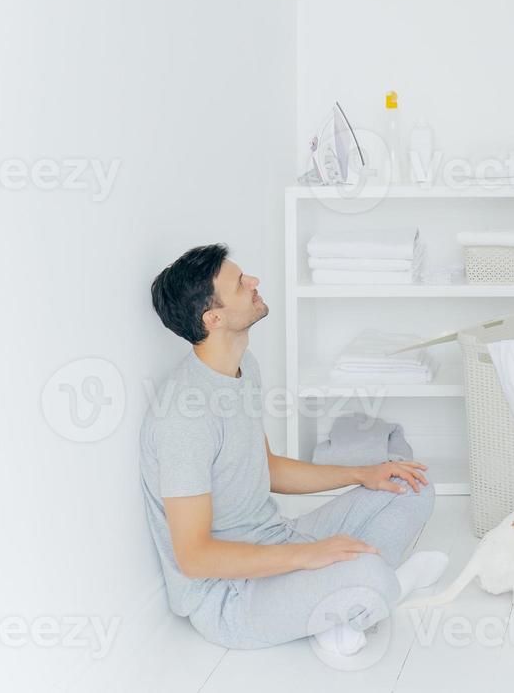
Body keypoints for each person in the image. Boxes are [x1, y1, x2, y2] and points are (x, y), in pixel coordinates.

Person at [140, 243, 448, 664]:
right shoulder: (185, 417)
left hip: (276, 540)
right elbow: (194, 557)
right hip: (230, 596)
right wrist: (307, 556)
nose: (254, 283)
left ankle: (337, 606)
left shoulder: (241, 368)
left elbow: (266, 469)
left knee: (411, 486)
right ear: (213, 318)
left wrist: (363, 473)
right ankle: (381, 588)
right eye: (239, 283)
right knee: (370, 572)